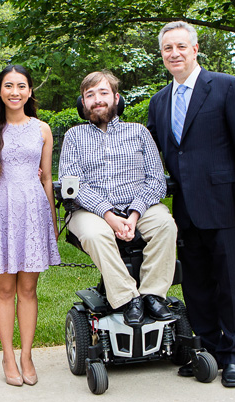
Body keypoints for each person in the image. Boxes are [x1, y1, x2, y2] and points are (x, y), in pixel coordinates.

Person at [147, 21, 235, 388]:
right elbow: (159, 154)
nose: (175, 53)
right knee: (196, 285)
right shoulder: (159, 101)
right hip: (185, 210)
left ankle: (234, 357)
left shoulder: (227, 87)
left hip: (229, 205)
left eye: (181, 46)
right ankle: (209, 351)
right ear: (162, 55)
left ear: (195, 50)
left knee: (234, 283)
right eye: (168, 49)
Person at [58, 70, 178, 327]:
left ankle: (152, 294)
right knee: (95, 234)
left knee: (165, 225)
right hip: (88, 210)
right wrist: (109, 216)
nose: (97, 100)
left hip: (140, 205)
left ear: (116, 98)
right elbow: (73, 185)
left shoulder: (139, 132)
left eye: (103, 93)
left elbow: (156, 180)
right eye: (90, 95)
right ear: (83, 103)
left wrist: (134, 214)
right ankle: (127, 298)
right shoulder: (74, 137)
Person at [0, 65, 61, 387]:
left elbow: (47, 177)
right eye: (8, 86)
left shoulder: (42, 129)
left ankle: (26, 354)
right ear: (0, 91)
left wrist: (51, 219)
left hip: (34, 210)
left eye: (21, 86)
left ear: (29, 91)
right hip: (2, 208)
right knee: (5, 290)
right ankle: (7, 355)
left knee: (28, 290)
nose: (14, 91)